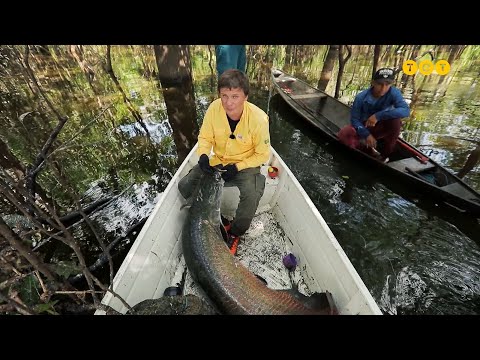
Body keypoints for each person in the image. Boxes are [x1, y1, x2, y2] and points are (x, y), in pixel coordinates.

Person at [178, 69, 270, 255]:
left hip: (245, 165)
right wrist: (203, 156)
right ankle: (219, 220)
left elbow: (262, 155)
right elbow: (204, 138)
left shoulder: (259, 119)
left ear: (246, 96)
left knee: (252, 195)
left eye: (235, 96)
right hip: (218, 161)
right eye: (224, 96)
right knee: (185, 186)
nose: (228, 102)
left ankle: (235, 233)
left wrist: (238, 166)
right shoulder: (214, 108)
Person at [337, 67, 410, 162]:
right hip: (365, 127)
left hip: (382, 128)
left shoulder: (394, 93)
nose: (383, 88)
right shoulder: (361, 97)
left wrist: (378, 116)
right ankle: (365, 148)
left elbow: (405, 111)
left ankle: (385, 155)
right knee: (345, 133)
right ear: (373, 83)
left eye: (387, 84)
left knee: (395, 121)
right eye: (380, 84)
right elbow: (355, 120)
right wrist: (366, 135)